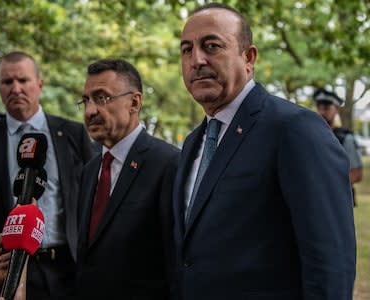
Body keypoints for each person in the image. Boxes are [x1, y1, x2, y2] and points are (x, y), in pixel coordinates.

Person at [173, 3, 356, 300]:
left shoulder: (295, 129)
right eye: (186, 50)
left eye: (212, 46)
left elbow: (330, 264)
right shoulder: (193, 142)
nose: (197, 60)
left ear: (249, 57)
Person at [0, 51, 95, 298]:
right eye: (7, 82)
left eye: (23, 80)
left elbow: (94, 200)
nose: (16, 89)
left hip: (67, 268)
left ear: (39, 84)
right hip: (5, 269)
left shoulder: (72, 134)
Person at [76, 58, 179, 299]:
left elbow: (176, 261)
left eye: (102, 98)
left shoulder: (168, 163)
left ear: (134, 102)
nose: (90, 111)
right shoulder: (90, 170)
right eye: (86, 100)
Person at [314, 88, 363, 206]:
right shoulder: (313, 136)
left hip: (339, 200)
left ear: (336, 109)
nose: (321, 112)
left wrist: (327, 187)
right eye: (319, 108)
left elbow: (356, 174)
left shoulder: (346, 138)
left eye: (326, 108)